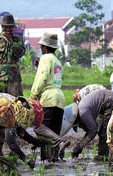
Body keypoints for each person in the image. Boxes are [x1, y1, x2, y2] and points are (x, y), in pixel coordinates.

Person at [30, 32, 70, 162]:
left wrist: (33, 96)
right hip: (59, 98)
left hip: (48, 98)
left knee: (38, 127)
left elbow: (41, 78)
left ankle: (59, 141)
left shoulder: (46, 58)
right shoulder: (57, 61)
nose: (40, 49)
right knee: (53, 130)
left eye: (41, 46)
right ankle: (54, 159)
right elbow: (52, 78)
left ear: (45, 47)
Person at [72, 89, 113, 159]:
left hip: (110, 101)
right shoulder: (81, 109)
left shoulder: (83, 113)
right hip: (106, 99)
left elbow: (93, 131)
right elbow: (90, 129)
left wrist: (79, 147)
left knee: (104, 132)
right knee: (104, 130)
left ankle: (102, 155)